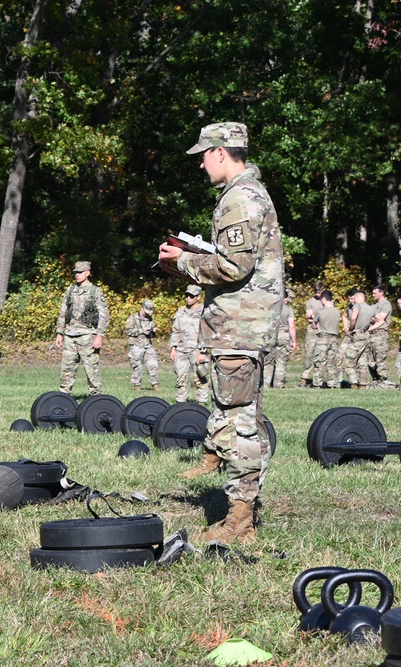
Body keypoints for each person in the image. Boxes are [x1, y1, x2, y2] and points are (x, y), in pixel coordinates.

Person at [158, 122, 283, 545]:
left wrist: (184, 263)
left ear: (220, 153)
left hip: (238, 328)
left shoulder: (240, 198)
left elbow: (234, 266)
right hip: (245, 326)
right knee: (242, 416)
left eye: (203, 156)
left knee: (239, 422)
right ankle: (241, 513)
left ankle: (240, 523)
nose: (201, 165)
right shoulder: (250, 194)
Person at [54, 261, 110, 395]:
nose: (77, 275)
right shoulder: (70, 290)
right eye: (75, 272)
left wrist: (99, 335)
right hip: (70, 335)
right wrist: (59, 332)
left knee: (91, 369)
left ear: (87, 273)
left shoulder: (95, 291)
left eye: (80, 272)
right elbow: (63, 312)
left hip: (88, 336)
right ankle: (63, 397)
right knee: (67, 369)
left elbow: (104, 315)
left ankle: (96, 398)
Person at [169, 285, 209, 404]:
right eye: (187, 295)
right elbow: (175, 330)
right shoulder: (181, 311)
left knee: (200, 377)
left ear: (198, 297)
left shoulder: (204, 311)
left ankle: (201, 403)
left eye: (191, 296)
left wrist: (203, 352)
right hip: (181, 350)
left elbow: (208, 332)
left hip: (197, 350)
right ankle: (180, 403)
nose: (188, 298)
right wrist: (173, 348)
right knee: (181, 378)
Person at [263, 290, 296, 388]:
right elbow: (291, 326)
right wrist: (293, 340)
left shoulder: (271, 308)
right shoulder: (288, 309)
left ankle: (266, 384)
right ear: (285, 298)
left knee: (268, 361)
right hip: (283, 336)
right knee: (281, 362)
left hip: (271, 335)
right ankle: (278, 384)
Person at [342, 288, 375, 389]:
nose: (352, 300)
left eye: (353, 297)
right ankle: (363, 384)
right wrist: (369, 328)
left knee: (348, 361)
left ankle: (353, 383)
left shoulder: (357, 306)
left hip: (357, 335)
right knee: (362, 361)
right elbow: (380, 320)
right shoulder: (371, 308)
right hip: (366, 335)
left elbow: (353, 318)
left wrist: (351, 328)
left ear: (357, 297)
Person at [124, 300, 159, 391]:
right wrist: (141, 331)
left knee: (153, 365)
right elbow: (128, 331)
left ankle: (156, 385)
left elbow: (152, 334)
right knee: (137, 366)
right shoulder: (132, 318)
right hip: (136, 345)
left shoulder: (150, 318)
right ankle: (137, 386)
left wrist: (153, 332)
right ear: (142, 308)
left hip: (148, 345)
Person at [312, 290, 340, 388]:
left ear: (323, 298)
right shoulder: (337, 311)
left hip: (323, 338)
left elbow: (314, 325)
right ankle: (332, 383)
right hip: (334, 338)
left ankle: (317, 383)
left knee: (319, 361)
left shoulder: (320, 311)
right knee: (331, 362)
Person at [299, 281, 324, 387]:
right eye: (316, 292)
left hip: (323, 329)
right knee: (309, 354)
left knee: (321, 356)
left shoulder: (327, 300)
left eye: (320, 292)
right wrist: (313, 317)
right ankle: (304, 378)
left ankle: (318, 380)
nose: (318, 294)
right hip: (312, 330)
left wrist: (315, 316)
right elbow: (308, 316)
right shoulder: (310, 301)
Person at [368, 285, 392, 387]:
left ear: (381, 293)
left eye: (375, 293)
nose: (373, 295)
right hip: (372, 334)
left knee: (380, 358)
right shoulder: (374, 305)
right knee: (370, 360)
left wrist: (372, 317)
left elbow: (380, 319)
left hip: (380, 334)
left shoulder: (385, 304)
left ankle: (383, 381)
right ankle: (375, 380)